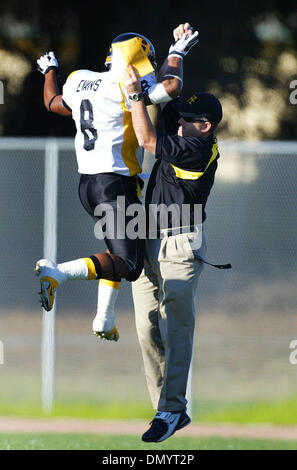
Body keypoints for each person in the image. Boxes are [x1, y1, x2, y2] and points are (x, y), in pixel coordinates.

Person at [35, 24, 199, 341]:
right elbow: (171, 86)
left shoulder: (79, 79)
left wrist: (50, 71)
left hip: (88, 184)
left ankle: (104, 317)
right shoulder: (122, 86)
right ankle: (57, 272)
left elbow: (53, 102)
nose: (143, 72)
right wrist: (177, 52)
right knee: (129, 263)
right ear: (130, 62)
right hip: (113, 185)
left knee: (116, 250)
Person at [123, 63, 230, 442]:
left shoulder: (199, 147)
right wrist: (178, 54)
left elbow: (150, 140)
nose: (178, 122)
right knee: (145, 328)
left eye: (187, 119)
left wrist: (135, 96)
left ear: (205, 126)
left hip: (180, 244)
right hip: (149, 238)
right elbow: (167, 91)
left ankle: (170, 409)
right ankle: (166, 409)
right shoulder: (186, 131)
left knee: (178, 328)